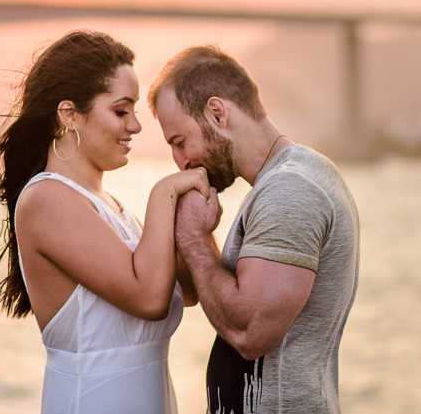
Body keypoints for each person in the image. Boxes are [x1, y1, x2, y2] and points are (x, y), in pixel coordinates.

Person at [0, 30, 212, 414]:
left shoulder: (111, 207)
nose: (135, 126)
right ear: (69, 115)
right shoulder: (47, 199)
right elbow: (149, 298)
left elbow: (190, 290)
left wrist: (192, 212)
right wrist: (163, 194)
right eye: (120, 110)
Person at [148, 44, 361, 414]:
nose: (180, 161)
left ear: (217, 113)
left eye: (179, 141)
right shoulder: (286, 179)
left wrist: (194, 237)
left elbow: (250, 332)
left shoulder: (290, 189)